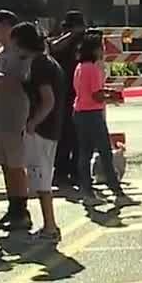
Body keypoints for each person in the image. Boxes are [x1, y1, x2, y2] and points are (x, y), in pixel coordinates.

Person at [16, 22, 65, 241]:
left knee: (40, 176)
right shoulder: (48, 62)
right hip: (52, 126)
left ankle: (50, 226)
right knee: (42, 175)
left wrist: (33, 122)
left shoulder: (39, 66)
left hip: (42, 128)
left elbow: (48, 99)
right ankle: (49, 224)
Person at [0, 11, 34, 233]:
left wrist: (0, 78)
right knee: (6, 164)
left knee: (16, 164)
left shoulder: (21, 54)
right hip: (0, 114)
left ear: (8, 27)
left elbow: (26, 79)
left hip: (16, 114)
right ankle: (12, 206)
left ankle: (22, 211)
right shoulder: (1, 53)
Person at [73, 34, 133, 206]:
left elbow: (88, 90)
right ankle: (117, 192)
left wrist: (107, 92)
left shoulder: (80, 67)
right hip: (92, 114)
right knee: (105, 153)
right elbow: (96, 95)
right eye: (101, 47)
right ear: (95, 50)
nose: (104, 50)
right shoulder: (93, 69)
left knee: (85, 154)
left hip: (80, 112)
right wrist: (111, 98)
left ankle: (87, 192)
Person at [48, 10, 84, 188]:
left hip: (78, 94)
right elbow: (52, 48)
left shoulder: (83, 43)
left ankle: (75, 171)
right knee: (64, 135)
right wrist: (71, 35)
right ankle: (61, 171)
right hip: (64, 92)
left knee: (78, 136)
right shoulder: (62, 42)